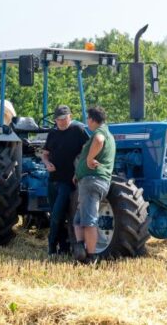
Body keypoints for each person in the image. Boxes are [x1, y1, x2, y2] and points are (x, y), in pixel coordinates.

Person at [41, 105, 89, 257]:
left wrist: (81, 169)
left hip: (67, 181)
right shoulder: (52, 133)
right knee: (57, 216)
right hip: (52, 181)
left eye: (64, 118)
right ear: (55, 120)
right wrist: (47, 163)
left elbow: (87, 150)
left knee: (56, 216)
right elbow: (45, 154)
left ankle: (51, 247)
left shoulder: (78, 130)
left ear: (70, 117)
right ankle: (63, 247)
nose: (61, 122)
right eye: (59, 119)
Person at [72, 106, 116, 264]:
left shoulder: (100, 132)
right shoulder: (109, 133)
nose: (87, 122)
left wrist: (90, 159)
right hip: (90, 181)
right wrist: (78, 173)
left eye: (87, 119)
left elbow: (98, 141)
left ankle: (91, 257)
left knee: (89, 222)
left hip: (92, 181)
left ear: (91, 119)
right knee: (78, 220)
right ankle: (80, 249)